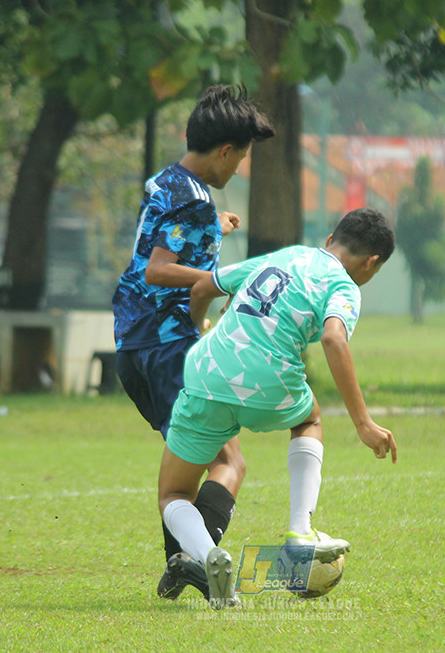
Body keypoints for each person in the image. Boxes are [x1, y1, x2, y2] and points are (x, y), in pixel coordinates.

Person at [157, 208, 399, 609]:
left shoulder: (281, 257)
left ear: (329, 239)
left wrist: (199, 331)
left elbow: (202, 288)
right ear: (371, 263)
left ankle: (207, 555)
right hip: (269, 382)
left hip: (207, 376)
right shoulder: (345, 286)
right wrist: (364, 423)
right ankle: (300, 533)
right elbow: (334, 340)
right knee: (309, 420)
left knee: (174, 493)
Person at [110, 85, 275, 599]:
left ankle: (183, 563)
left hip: (132, 346)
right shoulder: (197, 201)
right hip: (171, 348)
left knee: (184, 467)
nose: (238, 171)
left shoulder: (168, 180)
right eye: (241, 158)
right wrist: (225, 277)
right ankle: (205, 558)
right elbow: (159, 269)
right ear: (225, 150)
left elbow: (163, 237)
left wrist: (213, 231)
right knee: (230, 463)